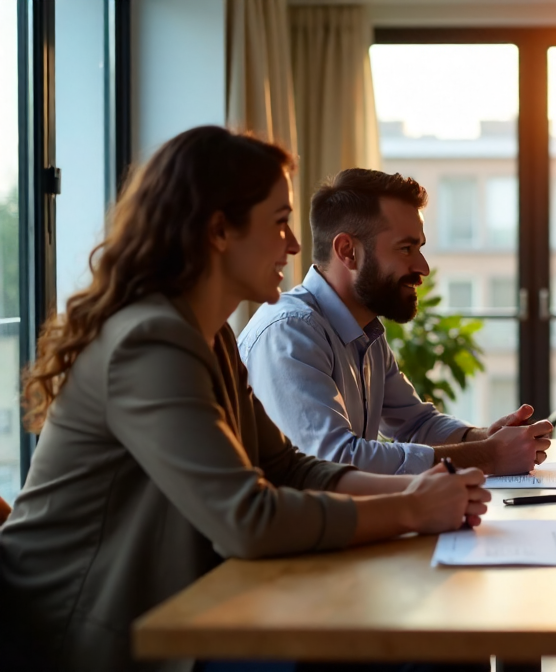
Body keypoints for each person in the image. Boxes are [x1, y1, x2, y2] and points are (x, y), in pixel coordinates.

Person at [0, 127, 491, 672]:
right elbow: (248, 519)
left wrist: (422, 490)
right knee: (420, 647)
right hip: (87, 637)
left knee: (438, 639)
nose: (295, 245)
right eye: (279, 222)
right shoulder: (149, 342)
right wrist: (411, 507)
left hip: (180, 605)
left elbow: (286, 466)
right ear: (218, 231)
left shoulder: (209, 336)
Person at [238, 168, 552, 477]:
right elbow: (335, 461)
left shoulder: (366, 331)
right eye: (406, 248)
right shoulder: (290, 332)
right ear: (348, 251)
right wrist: (490, 456)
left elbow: (416, 424)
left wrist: (483, 438)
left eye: (420, 248)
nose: (423, 267)